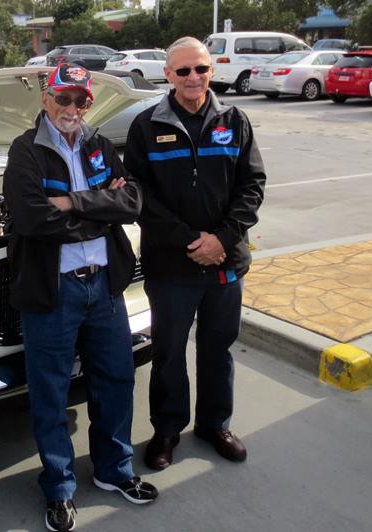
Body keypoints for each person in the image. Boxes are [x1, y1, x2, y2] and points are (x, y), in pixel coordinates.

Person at [3, 63, 158, 532]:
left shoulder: (99, 145)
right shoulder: (25, 150)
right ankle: (59, 487)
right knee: (50, 392)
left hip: (105, 286)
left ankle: (114, 470)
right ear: (46, 99)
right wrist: (101, 213)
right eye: (63, 98)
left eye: (80, 100)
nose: (72, 107)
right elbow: (31, 218)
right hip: (54, 292)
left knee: (116, 380)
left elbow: (132, 201)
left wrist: (73, 203)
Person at [123, 37, 266, 471]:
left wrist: (221, 240)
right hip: (171, 265)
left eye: (201, 68)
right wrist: (191, 241)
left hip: (225, 261)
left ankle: (214, 425)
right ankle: (167, 430)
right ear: (167, 74)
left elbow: (252, 186)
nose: (193, 77)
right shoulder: (146, 126)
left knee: (218, 349)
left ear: (211, 70)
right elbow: (140, 196)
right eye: (183, 70)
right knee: (168, 353)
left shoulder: (235, 120)